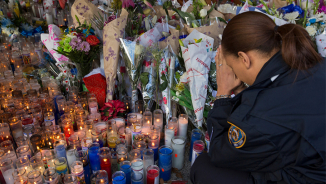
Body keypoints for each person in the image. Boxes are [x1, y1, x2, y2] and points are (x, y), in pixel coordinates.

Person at [190, 11, 326, 184]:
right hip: (314, 163)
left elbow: (220, 152)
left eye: (231, 66)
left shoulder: (260, 116)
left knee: (204, 167)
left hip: (307, 177)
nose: (231, 72)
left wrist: (223, 93)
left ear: (244, 59)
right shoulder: (313, 62)